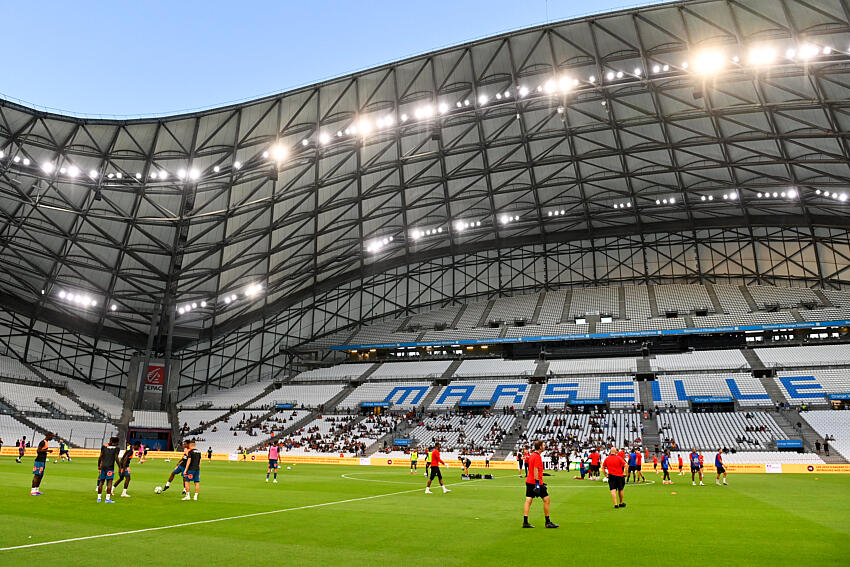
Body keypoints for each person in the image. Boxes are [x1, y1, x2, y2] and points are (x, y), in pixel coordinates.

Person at [522, 440, 558, 528]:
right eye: (544, 445)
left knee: (528, 501)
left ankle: (525, 522)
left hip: (529, 481)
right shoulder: (537, 456)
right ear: (540, 447)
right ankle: (547, 522)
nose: (545, 446)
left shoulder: (532, 455)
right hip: (536, 482)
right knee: (547, 500)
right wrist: (538, 483)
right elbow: (535, 469)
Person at [97, 436, 121, 503]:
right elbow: (116, 458)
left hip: (103, 467)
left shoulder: (104, 447)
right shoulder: (116, 448)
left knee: (101, 482)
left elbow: (100, 457)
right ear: (116, 442)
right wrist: (120, 467)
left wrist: (99, 465)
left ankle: (99, 498)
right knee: (109, 482)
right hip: (110, 467)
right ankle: (107, 499)